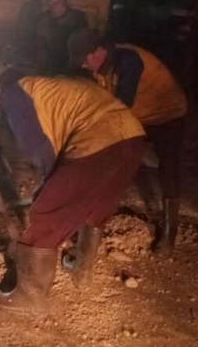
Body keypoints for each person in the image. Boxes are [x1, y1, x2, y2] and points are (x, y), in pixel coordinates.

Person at [0, 63, 145, 313]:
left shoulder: (15, 94)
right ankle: (82, 272)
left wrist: (50, 188)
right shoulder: (45, 86)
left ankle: (30, 297)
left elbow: (41, 149)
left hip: (98, 140)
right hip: (133, 137)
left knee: (47, 212)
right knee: (96, 207)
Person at [68, 28, 188, 255]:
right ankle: (91, 218)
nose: (83, 64)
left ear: (99, 51)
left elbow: (121, 106)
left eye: (85, 58)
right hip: (140, 114)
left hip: (168, 113)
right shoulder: (99, 68)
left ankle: (169, 234)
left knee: (169, 169)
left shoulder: (128, 60)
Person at [21, 0, 88, 76]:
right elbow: (35, 50)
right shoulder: (42, 19)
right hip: (45, 75)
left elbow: (83, 51)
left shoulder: (77, 19)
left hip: (69, 76)